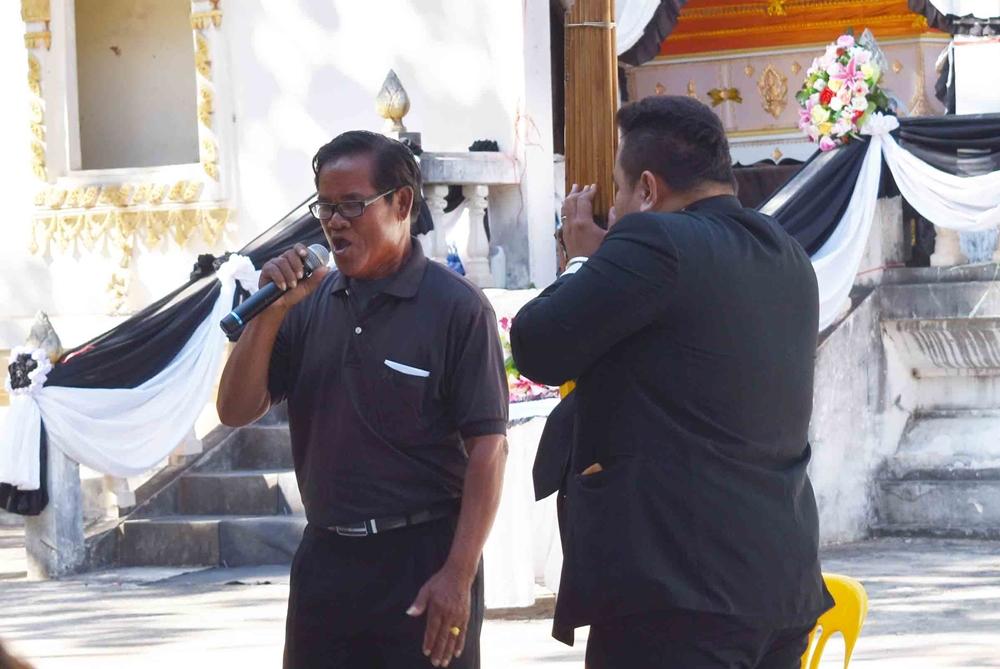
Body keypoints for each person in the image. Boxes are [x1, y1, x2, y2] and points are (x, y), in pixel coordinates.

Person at [511, 96, 833, 668]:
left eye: (617, 190)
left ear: (647, 189)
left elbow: (539, 347)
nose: (613, 208)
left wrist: (584, 261)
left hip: (680, 591)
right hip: (781, 582)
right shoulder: (785, 252)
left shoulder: (655, 241)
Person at [217, 130, 509, 669]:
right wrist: (270, 313)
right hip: (326, 563)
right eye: (325, 207)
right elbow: (234, 410)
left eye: (352, 205)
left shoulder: (456, 309)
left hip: (422, 563)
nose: (335, 222)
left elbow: (489, 451)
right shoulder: (305, 304)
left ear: (402, 203)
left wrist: (458, 574)